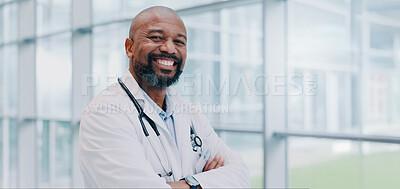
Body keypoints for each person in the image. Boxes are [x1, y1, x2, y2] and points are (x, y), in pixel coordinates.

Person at [79, 6, 250, 188]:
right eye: (156, 38)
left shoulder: (188, 112)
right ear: (130, 48)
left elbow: (241, 173)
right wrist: (202, 183)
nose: (169, 48)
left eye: (179, 42)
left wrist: (182, 184)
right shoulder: (104, 113)